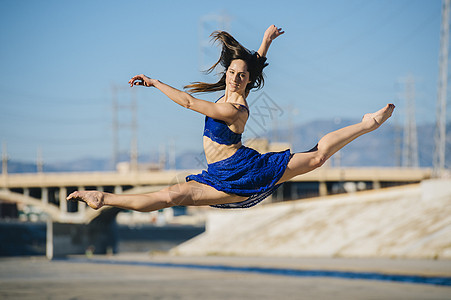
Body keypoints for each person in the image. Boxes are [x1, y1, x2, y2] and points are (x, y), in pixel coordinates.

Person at [67, 25, 395, 211]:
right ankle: (103, 198)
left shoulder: (232, 109)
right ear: (228, 74)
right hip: (218, 173)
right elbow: (256, 65)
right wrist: (265, 43)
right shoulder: (235, 95)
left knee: (317, 157)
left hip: (244, 171)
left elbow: (187, 101)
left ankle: (367, 124)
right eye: (233, 72)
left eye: (242, 76)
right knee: (170, 196)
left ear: (246, 81)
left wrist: (154, 82)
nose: (236, 78)